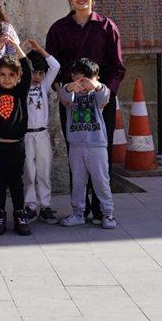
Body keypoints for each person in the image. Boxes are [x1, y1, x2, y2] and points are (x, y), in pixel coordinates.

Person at [45, 0, 125, 222]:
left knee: (102, 156)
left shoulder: (107, 27)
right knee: (76, 155)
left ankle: (102, 210)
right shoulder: (58, 29)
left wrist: (106, 93)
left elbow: (117, 68)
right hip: (71, 103)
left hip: (101, 103)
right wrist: (61, 90)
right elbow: (52, 66)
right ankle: (80, 209)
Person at [0, 29, 36, 237]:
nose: (6, 78)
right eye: (3, 74)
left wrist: (15, 46)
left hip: (16, 144)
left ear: (18, 76)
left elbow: (27, 68)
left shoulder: (21, 91)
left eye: (11, 75)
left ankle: (20, 215)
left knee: (16, 182)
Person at [59, 58, 116, 229]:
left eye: (87, 79)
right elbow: (63, 96)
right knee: (78, 182)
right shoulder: (70, 93)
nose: (83, 84)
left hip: (96, 145)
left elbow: (105, 95)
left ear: (96, 78)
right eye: (79, 79)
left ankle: (107, 213)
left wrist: (96, 85)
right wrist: (70, 87)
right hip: (76, 145)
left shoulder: (98, 94)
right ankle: (78, 213)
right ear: (73, 77)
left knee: (101, 181)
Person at [21, 43, 62, 224]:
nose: (37, 77)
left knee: (44, 171)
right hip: (26, 135)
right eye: (33, 73)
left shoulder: (44, 85)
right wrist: (20, 51)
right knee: (29, 172)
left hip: (42, 134)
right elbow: (16, 66)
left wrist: (39, 49)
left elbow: (55, 66)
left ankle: (45, 205)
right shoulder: (21, 86)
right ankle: (30, 206)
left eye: (40, 73)